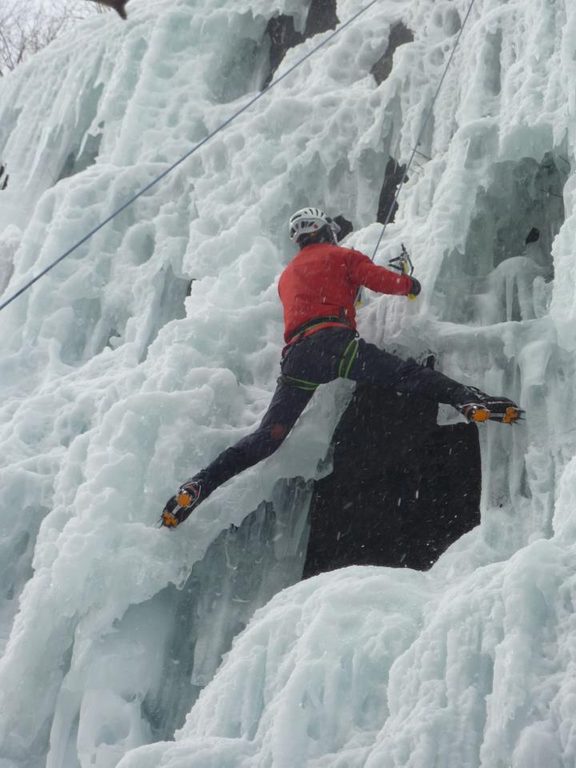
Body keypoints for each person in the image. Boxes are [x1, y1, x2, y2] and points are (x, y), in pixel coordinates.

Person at [161, 207, 521, 528]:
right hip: (337, 346)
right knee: (408, 377)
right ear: (325, 232)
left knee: (266, 438)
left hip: (299, 358)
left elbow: (318, 296)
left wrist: (346, 298)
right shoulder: (342, 255)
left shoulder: (287, 276)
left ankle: (199, 484)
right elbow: (379, 279)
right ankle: (469, 401)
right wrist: (409, 285)